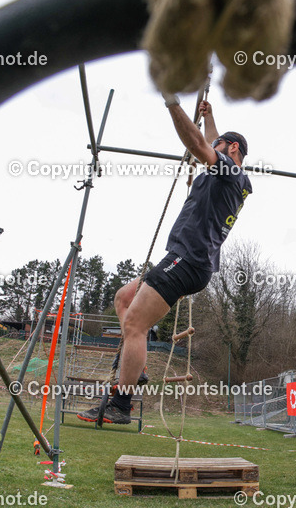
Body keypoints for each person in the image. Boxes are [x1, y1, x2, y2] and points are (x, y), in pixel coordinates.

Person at [78, 97, 252, 424]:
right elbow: (213, 140)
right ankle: (137, 364)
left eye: (220, 146)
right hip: (185, 258)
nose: (211, 150)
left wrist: (172, 103)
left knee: (134, 324)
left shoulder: (228, 171)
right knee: (124, 298)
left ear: (230, 151)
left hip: (188, 259)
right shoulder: (232, 175)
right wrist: (210, 116)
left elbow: (200, 143)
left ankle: (121, 405)